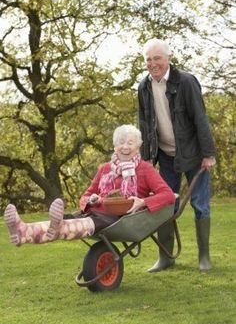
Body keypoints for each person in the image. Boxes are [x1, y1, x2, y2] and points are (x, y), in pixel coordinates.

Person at [4, 124, 176, 247]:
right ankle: (22, 232)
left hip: (121, 219)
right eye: (121, 142)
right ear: (115, 146)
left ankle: (55, 227)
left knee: (85, 222)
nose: (125, 147)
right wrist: (91, 200)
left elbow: (168, 195)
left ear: (138, 146)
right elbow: (86, 196)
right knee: (70, 219)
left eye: (130, 143)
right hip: (96, 210)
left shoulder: (145, 169)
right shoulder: (105, 169)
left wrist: (142, 202)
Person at [138, 38, 216, 272]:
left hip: (193, 154)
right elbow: (143, 124)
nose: (153, 64)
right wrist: (145, 157)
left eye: (157, 58)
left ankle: (204, 258)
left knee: (200, 204)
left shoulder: (186, 82)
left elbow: (199, 119)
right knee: (165, 205)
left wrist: (208, 154)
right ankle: (166, 257)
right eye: (149, 60)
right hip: (165, 156)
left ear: (168, 58)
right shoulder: (143, 87)